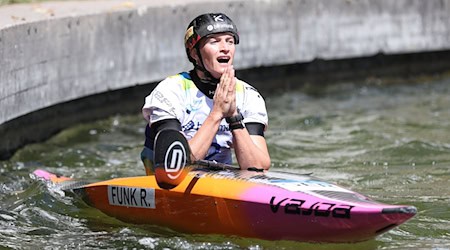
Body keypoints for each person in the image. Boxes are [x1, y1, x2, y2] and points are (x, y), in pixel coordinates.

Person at [141, 13, 270, 175]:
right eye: (214, 41)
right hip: (166, 182)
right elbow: (174, 168)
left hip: (218, 184)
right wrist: (217, 113)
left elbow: (258, 167)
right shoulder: (170, 91)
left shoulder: (248, 95)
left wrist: (234, 117)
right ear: (195, 54)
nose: (225, 48)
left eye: (230, 41)